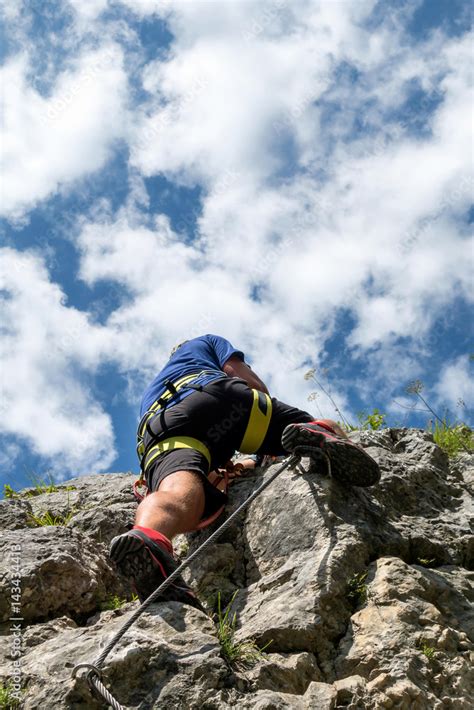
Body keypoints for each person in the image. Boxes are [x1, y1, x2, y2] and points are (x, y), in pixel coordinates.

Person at [110, 334, 380, 608]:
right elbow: (246, 380)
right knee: (307, 423)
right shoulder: (205, 343)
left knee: (177, 491)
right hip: (216, 396)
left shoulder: (152, 390)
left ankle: (150, 536)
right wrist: (266, 435)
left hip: (161, 428)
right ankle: (315, 431)